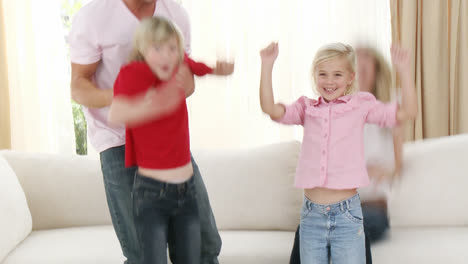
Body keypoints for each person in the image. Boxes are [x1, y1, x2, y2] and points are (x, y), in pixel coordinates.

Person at [68, 1, 222, 263]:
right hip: (118, 142)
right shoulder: (94, 16)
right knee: (143, 253)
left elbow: (186, 82)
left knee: (205, 246)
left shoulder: (176, 15)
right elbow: (78, 86)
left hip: (168, 144)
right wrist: (124, 98)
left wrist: (184, 86)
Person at [259, 42, 417, 263]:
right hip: (311, 216)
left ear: (351, 78)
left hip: (347, 215)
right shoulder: (306, 108)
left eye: (337, 74)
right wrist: (267, 66)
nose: (330, 81)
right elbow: (270, 109)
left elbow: (407, 112)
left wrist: (404, 70)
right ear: (314, 76)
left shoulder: (361, 105)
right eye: (322, 74)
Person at [107, 16, 233, 264]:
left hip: (187, 191)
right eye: (157, 48)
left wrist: (220, 69)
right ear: (142, 50)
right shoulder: (133, 72)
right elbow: (116, 113)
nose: (166, 56)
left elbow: (198, 66)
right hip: (152, 193)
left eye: (172, 48)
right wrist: (155, 104)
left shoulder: (180, 64)